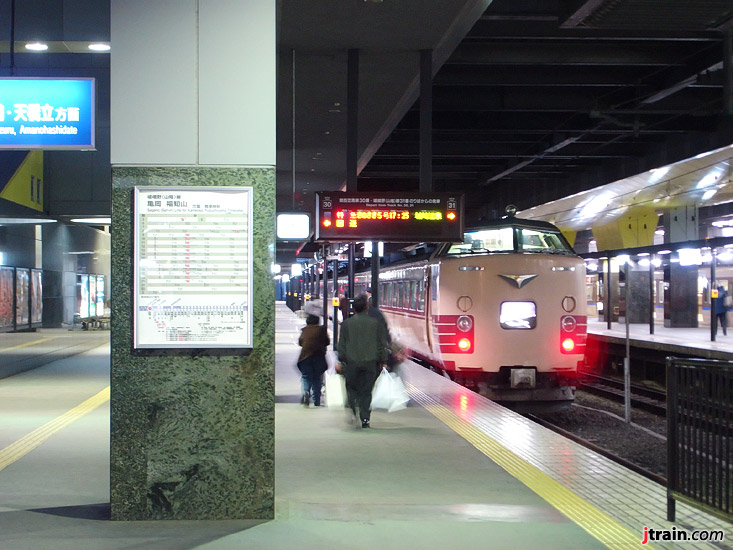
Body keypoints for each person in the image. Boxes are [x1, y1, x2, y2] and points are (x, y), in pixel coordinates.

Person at [336, 293, 389, 428]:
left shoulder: (346, 324)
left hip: (351, 362)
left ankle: (353, 409)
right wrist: (383, 361)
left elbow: (341, 345)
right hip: (370, 363)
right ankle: (365, 418)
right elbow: (381, 344)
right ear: (366, 307)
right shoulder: (375, 324)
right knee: (366, 391)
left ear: (354, 309)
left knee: (351, 388)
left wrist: (341, 359)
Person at [297, 314, 330, 406]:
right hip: (319, 357)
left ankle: (306, 392)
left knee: (306, 376)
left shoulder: (305, 330)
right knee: (317, 378)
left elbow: (300, 342)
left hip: (305, 357)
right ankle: (317, 400)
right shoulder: (322, 330)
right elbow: (327, 342)